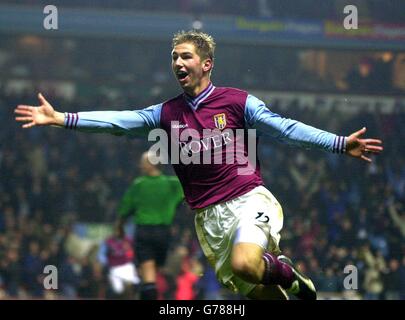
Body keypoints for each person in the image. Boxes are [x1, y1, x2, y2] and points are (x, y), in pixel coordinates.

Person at [14, 30, 383, 300]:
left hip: (248, 200)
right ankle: (286, 278)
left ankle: (289, 274)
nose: (177, 62)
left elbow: (285, 129)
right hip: (208, 220)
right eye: (174, 57)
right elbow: (118, 121)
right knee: (260, 290)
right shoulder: (165, 113)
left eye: (185, 56)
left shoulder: (237, 102)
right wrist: (62, 118)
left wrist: (338, 143)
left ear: (206, 64)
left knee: (244, 263)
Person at [117, 151, 184, 300]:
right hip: (164, 234)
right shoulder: (172, 183)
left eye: (142, 162)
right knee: (155, 271)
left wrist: (120, 228)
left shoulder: (139, 185)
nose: (140, 165)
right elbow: (188, 193)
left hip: (144, 232)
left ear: (150, 164)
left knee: (148, 276)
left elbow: (124, 210)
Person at [98, 222, 140, 299]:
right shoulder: (108, 242)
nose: (118, 232)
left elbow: (133, 255)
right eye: (116, 230)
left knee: (137, 284)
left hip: (127, 267)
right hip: (113, 267)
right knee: (114, 290)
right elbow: (101, 255)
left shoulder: (128, 241)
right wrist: (107, 263)